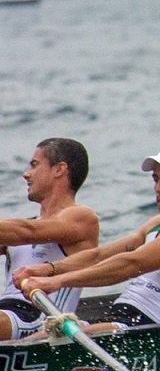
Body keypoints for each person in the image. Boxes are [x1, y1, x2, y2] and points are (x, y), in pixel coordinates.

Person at [16, 144, 160, 329]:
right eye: (156, 179)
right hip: (122, 321)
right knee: (43, 335)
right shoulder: (156, 224)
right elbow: (98, 256)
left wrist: (58, 282)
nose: (159, 188)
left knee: (48, 338)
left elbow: (132, 264)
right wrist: (48, 269)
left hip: (155, 333)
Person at [0, 139, 99, 341]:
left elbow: (27, 232)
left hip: (42, 317)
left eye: (34, 165)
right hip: (7, 312)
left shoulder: (82, 218)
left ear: (59, 169)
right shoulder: (21, 229)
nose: (26, 174)